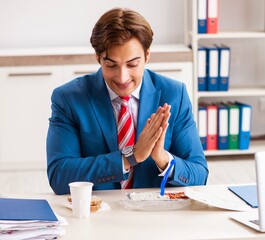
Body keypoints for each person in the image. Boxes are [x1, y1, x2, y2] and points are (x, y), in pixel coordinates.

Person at [46, 8, 208, 195]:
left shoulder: (174, 94)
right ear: (98, 58)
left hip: (155, 213)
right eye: (111, 64)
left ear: (147, 56)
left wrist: (162, 158)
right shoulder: (69, 98)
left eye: (132, 64)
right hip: (97, 213)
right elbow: (59, 176)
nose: (122, 78)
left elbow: (199, 175)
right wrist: (129, 157)